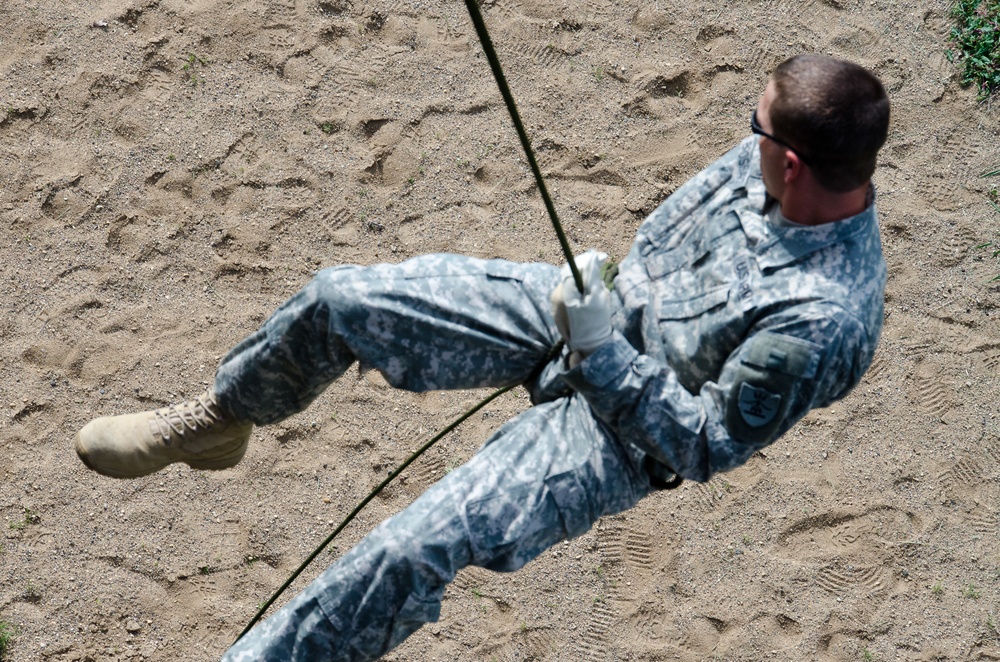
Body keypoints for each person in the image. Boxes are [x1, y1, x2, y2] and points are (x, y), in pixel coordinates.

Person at [74, 53, 890, 660]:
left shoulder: (823, 321)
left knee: (408, 550)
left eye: (755, 129)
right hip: (587, 310)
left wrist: (602, 353)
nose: (741, 139)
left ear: (790, 161)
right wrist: (603, 290)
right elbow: (665, 238)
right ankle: (222, 419)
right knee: (342, 301)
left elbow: (704, 444)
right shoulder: (773, 168)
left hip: (623, 435)